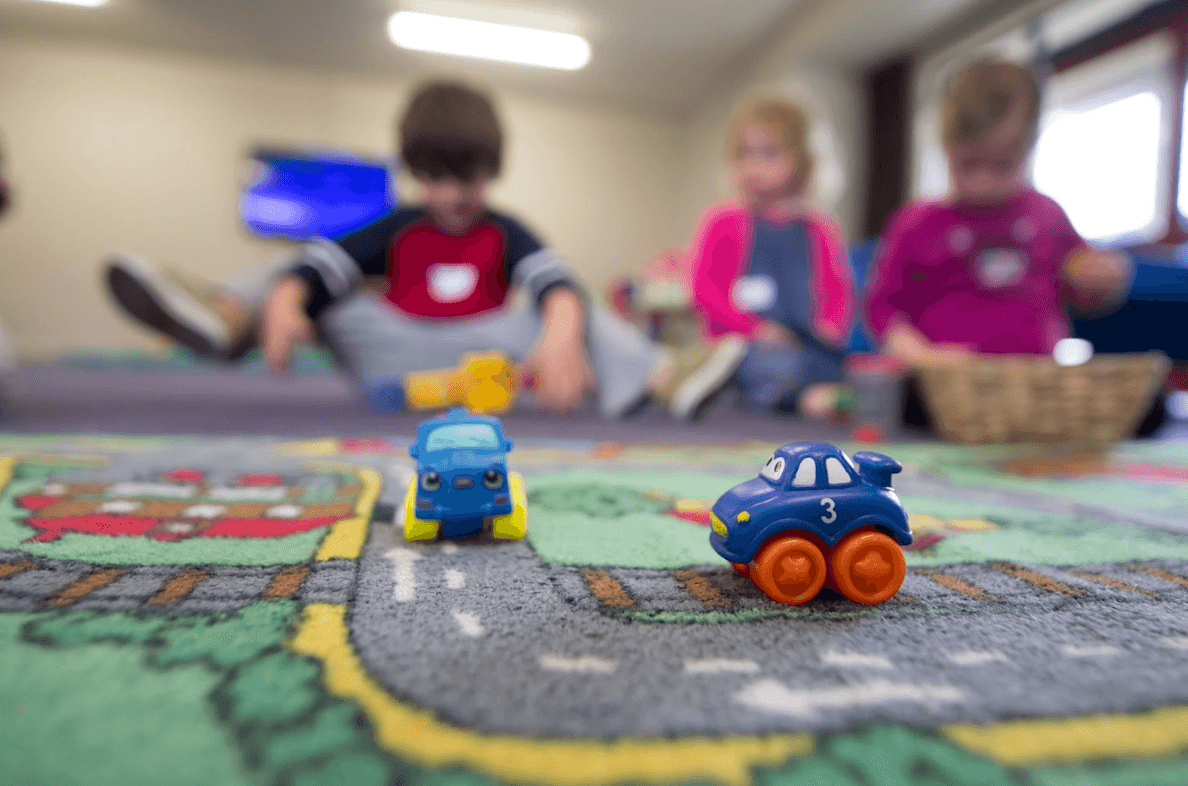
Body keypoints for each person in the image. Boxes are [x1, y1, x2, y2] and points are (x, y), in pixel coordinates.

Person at [104, 80, 737, 419]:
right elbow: (320, 267)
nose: (455, 193)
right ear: (415, 172)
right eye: (437, 177)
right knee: (294, 267)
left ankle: (664, 378)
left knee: (575, 304)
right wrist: (290, 298)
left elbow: (553, 283)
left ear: (492, 171)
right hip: (392, 350)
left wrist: (562, 331)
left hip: (482, 354)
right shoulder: (398, 224)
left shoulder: (507, 229)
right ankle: (226, 318)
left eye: (470, 177)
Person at [862, 59, 1151, 429]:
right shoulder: (915, 222)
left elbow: (1085, 292)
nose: (982, 182)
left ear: (1028, 150)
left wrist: (1103, 278)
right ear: (947, 148)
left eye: (1000, 166)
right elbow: (882, 309)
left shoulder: (1048, 215)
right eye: (967, 165)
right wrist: (922, 356)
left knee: (1144, 408)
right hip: (944, 397)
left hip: (1035, 392)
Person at [684, 98, 855, 420]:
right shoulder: (724, 221)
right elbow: (705, 292)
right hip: (740, 346)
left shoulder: (819, 230)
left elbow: (837, 293)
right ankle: (797, 397)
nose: (753, 167)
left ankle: (795, 395)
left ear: (801, 161)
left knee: (839, 365)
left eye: (769, 154)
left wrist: (828, 328)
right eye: (743, 154)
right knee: (754, 364)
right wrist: (756, 330)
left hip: (801, 345)